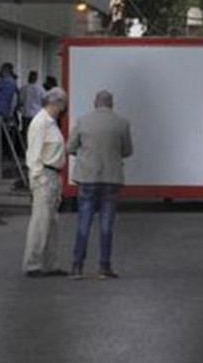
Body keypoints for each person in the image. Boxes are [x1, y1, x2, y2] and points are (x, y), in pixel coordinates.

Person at [67, 90, 133, 280]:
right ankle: (104, 267)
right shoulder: (122, 123)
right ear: (111, 104)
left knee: (83, 223)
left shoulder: (82, 121)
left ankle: (77, 267)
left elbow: (70, 147)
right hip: (111, 179)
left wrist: (85, 155)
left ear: (95, 103)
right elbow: (128, 150)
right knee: (106, 225)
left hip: (87, 178)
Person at [23, 87, 69, 278]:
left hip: (53, 175)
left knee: (51, 222)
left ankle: (50, 263)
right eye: (63, 103)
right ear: (54, 103)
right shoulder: (41, 123)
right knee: (41, 221)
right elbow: (33, 155)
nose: (64, 107)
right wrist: (40, 179)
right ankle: (33, 264)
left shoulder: (51, 123)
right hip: (45, 176)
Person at [0, 63, 20, 165]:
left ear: (5, 70)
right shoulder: (13, 83)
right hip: (5, 111)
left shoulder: (4, 81)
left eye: (1, 69)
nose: (0, 71)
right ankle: (1, 156)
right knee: (1, 135)